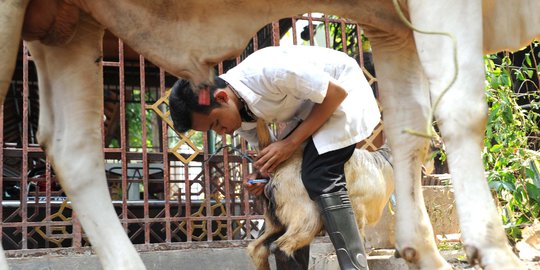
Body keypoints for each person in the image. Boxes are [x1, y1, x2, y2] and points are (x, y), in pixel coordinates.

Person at [169, 45, 380, 270]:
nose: (222, 132)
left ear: (222, 97)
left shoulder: (268, 71)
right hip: (311, 112)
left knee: (319, 175)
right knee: (287, 186)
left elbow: (335, 93)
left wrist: (290, 143)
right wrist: (263, 176)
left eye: (217, 123)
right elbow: (273, 156)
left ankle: (354, 266)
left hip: (344, 97)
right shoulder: (239, 115)